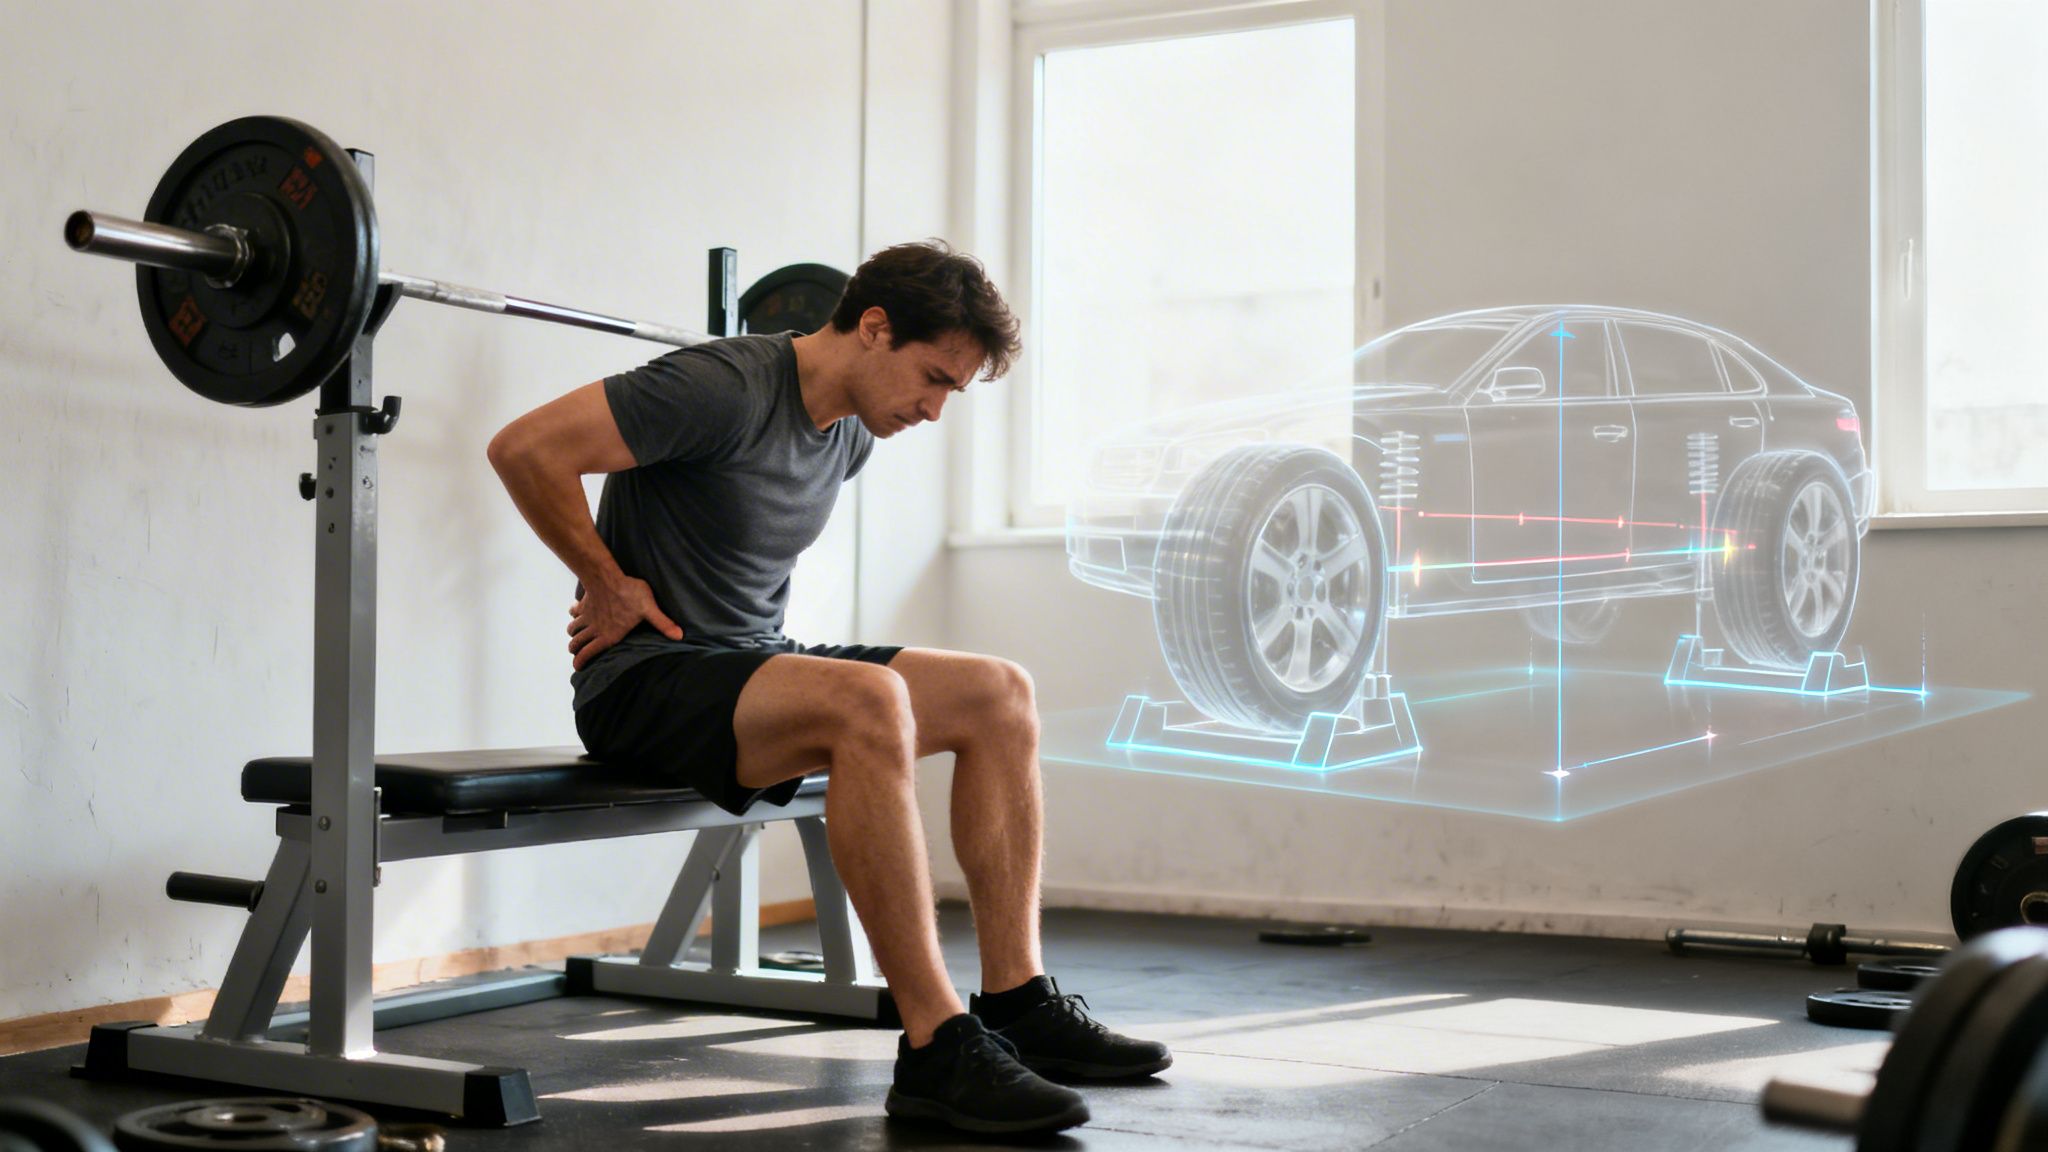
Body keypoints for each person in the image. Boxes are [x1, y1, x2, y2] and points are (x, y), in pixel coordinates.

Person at [487, 240, 1169, 1135]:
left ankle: (1016, 1002)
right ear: (874, 328)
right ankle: (935, 1046)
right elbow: (524, 446)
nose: (932, 410)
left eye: (951, 393)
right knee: (868, 700)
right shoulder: (721, 386)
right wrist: (607, 581)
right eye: (932, 380)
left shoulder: (850, 433)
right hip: (643, 680)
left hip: (747, 660)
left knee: (999, 692)